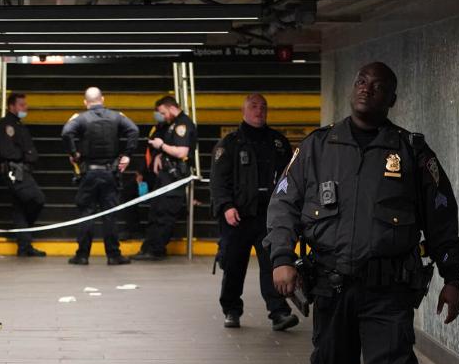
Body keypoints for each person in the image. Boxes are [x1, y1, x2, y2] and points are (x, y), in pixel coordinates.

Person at [265, 62, 459, 364]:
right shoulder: (317, 147)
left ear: (391, 99)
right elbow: (282, 207)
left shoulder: (413, 152)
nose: (367, 90)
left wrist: (453, 277)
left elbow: (441, 216)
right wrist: (282, 258)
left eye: (378, 87)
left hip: (388, 290)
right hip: (331, 287)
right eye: (361, 82)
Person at [210, 93, 298, 331]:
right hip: (237, 217)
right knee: (233, 264)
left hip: (268, 216)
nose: (259, 110)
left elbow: (291, 179)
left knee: (273, 263)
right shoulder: (229, 144)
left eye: (263, 107)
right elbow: (218, 181)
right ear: (244, 111)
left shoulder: (278, 143)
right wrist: (226, 206)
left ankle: (279, 312)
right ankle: (231, 310)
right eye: (254, 106)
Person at [61, 87, 138, 265]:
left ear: (85, 102)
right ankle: (113, 255)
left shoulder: (80, 119)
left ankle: (82, 255)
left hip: (89, 173)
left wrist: (74, 153)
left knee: (87, 213)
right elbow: (133, 130)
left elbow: (66, 133)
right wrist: (127, 155)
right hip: (110, 173)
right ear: (102, 99)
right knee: (109, 215)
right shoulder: (116, 116)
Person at [132, 96, 195, 261]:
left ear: (171, 108)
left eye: (163, 112)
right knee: (155, 212)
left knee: (165, 214)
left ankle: (156, 249)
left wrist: (161, 146)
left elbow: (182, 152)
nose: (162, 116)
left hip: (174, 178)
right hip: (165, 175)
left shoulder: (183, 124)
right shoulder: (170, 125)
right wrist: (160, 154)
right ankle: (149, 248)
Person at [0, 92, 46, 257]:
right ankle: (25, 235)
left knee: (20, 207)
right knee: (37, 199)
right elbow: (8, 151)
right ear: (11, 106)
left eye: (25, 104)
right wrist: (26, 157)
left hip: (21, 170)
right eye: (21, 105)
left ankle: (24, 245)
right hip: (14, 171)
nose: (25, 107)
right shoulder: (7, 126)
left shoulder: (18, 125)